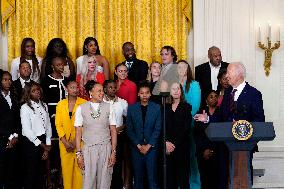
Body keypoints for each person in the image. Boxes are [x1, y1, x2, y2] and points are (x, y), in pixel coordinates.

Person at [194, 62, 265, 189]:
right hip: (225, 145)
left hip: (244, 146)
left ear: (239, 74)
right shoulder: (228, 93)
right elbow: (221, 117)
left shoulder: (253, 94)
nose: (226, 76)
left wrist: (242, 126)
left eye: (229, 72)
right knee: (223, 178)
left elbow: (259, 119)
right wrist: (207, 118)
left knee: (241, 176)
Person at [75, 80, 117, 189]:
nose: (102, 93)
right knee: (88, 181)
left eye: (102, 91)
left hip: (105, 148)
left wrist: (113, 151)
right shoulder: (81, 108)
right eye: (99, 91)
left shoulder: (109, 107)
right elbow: (78, 132)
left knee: (105, 180)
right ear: (90, 92)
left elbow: (113, 130)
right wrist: (79, 154)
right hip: (88, 148)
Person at [127, 81, 162, 189]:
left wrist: (149, 145)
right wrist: (138, 145)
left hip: (151, 149)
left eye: (147, 93)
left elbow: (158, 129)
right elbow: (129, 129)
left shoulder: (156, 108)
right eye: (142, 93)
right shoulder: (132, 108)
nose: (144, 95)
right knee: (138, 179)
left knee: (152, 178)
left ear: (150, 94)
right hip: (136, 149)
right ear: (138, 94)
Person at [55, 78, 86, 189]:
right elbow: (58, 124)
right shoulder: (60, 104)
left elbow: (85, 125)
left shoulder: (84, 103)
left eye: (76, 87)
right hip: (65, 144)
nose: (75, 89)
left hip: (80, 142)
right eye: (72, 87)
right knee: (66, 171)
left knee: (79, 170)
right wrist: (65, 142)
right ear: (66, 89)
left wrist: (75, 142)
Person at [41, 56, 67, 188]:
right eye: (58, 65)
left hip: (65, 119)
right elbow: (43, 100)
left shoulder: (67, 80)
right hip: (51, 119)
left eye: (62, 64)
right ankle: (50, 179)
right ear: (52, 66)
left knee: (64, 147)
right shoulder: (46, 81)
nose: (61, 67)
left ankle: (62, 178)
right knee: (52, 148)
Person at [20, 82, 52, 189]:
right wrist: (42, 145)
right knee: (31, 172)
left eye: (38, 89)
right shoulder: (25, 107)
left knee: (41, 172)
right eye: (33, 91)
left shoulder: (44, 105)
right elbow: (27, 130)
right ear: (28, 93)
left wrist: (47, 146)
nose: (37, 92)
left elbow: (48, 126)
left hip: (43, 141)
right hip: (31, 142)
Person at [177, 60, 201, 189]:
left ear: (188, 69)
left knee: (191, 156)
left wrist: (182, 119)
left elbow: (195, 106)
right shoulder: (173, 85)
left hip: (189, 124)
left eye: (184, 67)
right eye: (178, 67)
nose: (181, 69)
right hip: (175, 126)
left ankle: (194, 185)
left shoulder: (194, 84)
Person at [165, 82, 192, 189]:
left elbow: (186, 129)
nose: (176, 91)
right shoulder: (164, 107)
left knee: (183, 178)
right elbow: (162, 127)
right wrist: (166, 142)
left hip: (182, 147)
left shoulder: (186, 107)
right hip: (167, 148)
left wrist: (174, 144)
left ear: (181, 91)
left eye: (178, 89)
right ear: (170, 92)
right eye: (173, 89)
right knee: (170, 179)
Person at [103, 80, 128, 189]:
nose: (113, 89)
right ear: (105, 89)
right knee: (105, 164)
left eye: (114, 87)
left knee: (117, 164)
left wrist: (119, 128)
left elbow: (128, 120)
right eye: (110, 87)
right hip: (104, 137)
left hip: (119, 137)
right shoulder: (100, 102)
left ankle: (117, 186)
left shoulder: (123, 102)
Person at [194, 90, 219, 189]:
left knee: (217, 181)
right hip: (203, 152)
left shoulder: (221, 113)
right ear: (206, 100)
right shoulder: (200, 114)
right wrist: (204, 150)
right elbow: (197, 134)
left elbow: (221, 131)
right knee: (205, 181)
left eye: (216, 96)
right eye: (211, 96)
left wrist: (213, 150)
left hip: (218, 153)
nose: (214, 98)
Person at [0, 71, 21, 189]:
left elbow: (18, 119)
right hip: (2, 139)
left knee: (12, 170)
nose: (8, 82)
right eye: (5, 79)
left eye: (10, 79)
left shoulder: (14, 96)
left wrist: (16, 135)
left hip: (14, 139)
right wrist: (9, 136)